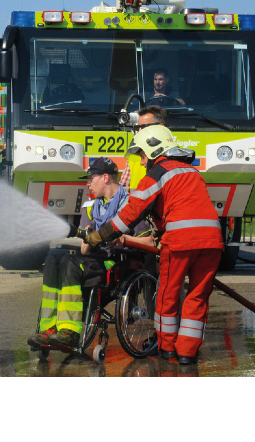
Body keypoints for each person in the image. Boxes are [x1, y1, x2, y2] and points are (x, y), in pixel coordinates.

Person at [84, 126, 224, 365]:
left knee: (168, 294)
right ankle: (187, 354)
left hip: (180, 241)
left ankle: (167, 349)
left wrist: (99, 236)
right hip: (212, 241)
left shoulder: (157, 174)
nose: (141, 160)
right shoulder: (191, 171)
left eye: (141, 154)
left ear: (152, 149)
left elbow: (129, 215)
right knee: (198, 298)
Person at [28, 157, 153, 350]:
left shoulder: (130, 205)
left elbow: (149, 242)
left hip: (118, 262)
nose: (87, 184)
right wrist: (87, 238)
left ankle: (70, 331)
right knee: (53, 258)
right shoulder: (93, 207)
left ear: (105, 178)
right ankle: (50, 327)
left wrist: (125, 239)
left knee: (70, 263)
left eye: (90, 178)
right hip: (95, 259)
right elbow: (85, 250)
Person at [120, 105, 168, 192]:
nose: (140, 132)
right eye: (138, 128)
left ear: (161, 127)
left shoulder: (173, 157)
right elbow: (122, 188)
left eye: (145, 127)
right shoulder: (134, 155)